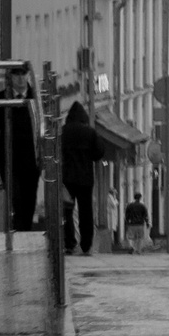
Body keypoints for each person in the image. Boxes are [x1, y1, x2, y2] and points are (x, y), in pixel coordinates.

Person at [0, 68, 40, 232]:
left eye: (24, 74)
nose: (21, 79)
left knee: (29, 200)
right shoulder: (0, 100)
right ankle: (19, 233)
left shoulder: (36, 99)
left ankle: (25, 231)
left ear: (28, 75)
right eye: (17, 75)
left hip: (32, 159)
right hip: (9, 159)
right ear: (10, 77)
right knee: (15, 199)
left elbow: (44, 128)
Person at [59, 102, 101, 255]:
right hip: (85, 179)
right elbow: (98, 153)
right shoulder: (90, 133)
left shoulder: (63, 132)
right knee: (85, 212)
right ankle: (86, 244)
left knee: (66, 211)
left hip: (67, 178)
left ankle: (69, 242)